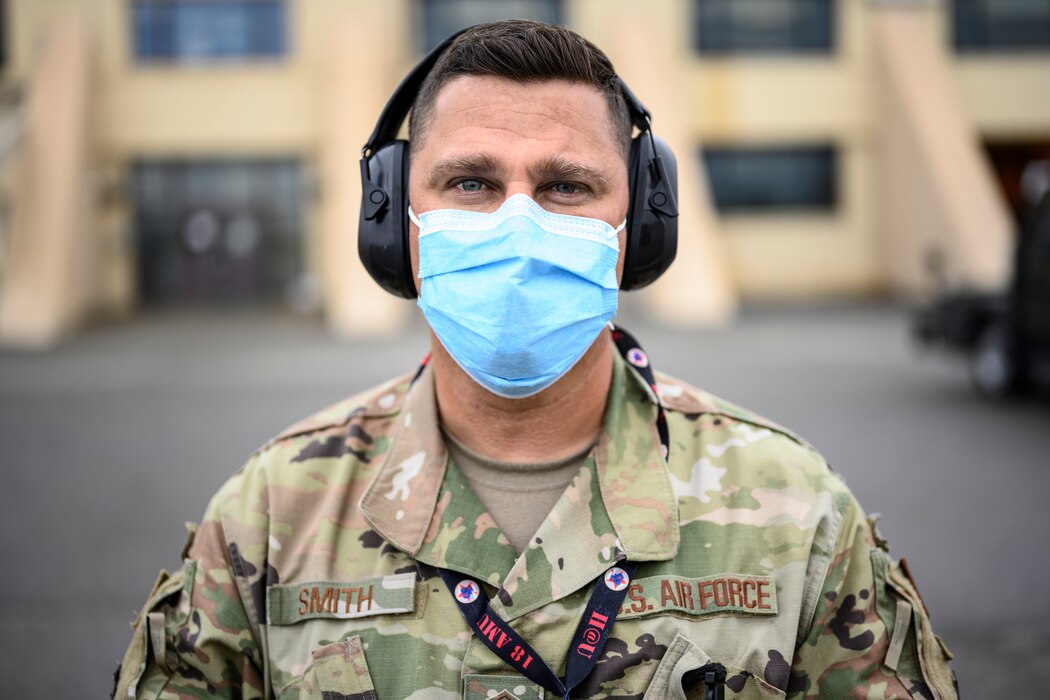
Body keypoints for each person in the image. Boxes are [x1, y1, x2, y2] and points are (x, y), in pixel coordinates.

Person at [114, 20, 958, 700]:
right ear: (394, 225)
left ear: (641, 227)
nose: (518, 228)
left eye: (566, 186)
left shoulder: (797, 512)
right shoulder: (269, 514)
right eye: (472, 184)